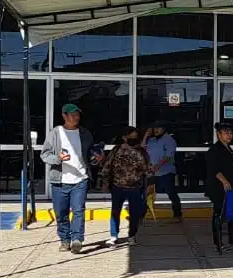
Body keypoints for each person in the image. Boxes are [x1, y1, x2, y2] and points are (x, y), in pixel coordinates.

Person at [39, 103, 93, 253]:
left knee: (78, 210)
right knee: (61, 213)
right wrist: (58, 158)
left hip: (80, 179)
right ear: (64, 116)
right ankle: (64, 239)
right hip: (60, 181)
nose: (76, 117)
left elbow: (90, 153)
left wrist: (96, 157)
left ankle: (77, 239)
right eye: (72, 115)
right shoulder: (56, 133)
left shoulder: (85, 133)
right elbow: (44, 154)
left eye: (77, 115)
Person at [102, 126, 151, 246]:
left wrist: (150, 183)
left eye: (135, 136)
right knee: (115, 212)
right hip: (117, 185)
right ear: (124, 137)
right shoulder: (116, 150)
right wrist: (105, 182)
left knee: (134, 213)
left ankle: (132, 236)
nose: (134, 138)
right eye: (132, 136)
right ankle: (114, 236)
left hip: (135, 187)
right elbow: (108, 166)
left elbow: (148, 169)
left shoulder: (141, 151)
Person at [205, 120, 233, 254]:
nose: (229, 135)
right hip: (219, 187)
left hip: (232, 187)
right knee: (219, 214)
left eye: (230, 132)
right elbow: (214, 169)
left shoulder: (229, 148)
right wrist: (225, 181)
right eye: (225, 132)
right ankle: (219, 243)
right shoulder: (215, 149)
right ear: (218, 134)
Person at [144, 125, 181, 220]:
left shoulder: (169, 140)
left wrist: (158, 165)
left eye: (158, 128)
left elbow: (168, 155)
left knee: (171, 192)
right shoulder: (151, 140)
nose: (155, 130)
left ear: (164, 129)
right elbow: (142, 149)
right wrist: (145, 136)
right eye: (154, 128)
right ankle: (143, 212)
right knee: (147, 192)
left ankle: (177, 213)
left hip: (166, 171)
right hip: (152, 171)